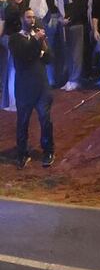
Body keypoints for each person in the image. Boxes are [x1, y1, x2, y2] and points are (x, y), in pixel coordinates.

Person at [11, 9, 54, 169]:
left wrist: (43, 43)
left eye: (33, 17)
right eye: (28, 17)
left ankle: (48, 151)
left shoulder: (38, 37)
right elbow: (24, 55)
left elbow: (49, 59)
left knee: (45, 120)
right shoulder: (15, 39)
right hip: (24, 88)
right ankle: (22, 153)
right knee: (22, 122)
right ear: (22, 19)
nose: (32, 20)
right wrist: (36, 39)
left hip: (42, 86)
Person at [61, 0, 89, 91]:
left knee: (76, 54)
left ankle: (75, 79)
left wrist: (70, 19)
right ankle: (69, 79)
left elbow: (82, 8)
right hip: (66, 24)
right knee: (68, 53)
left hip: (77, 24)